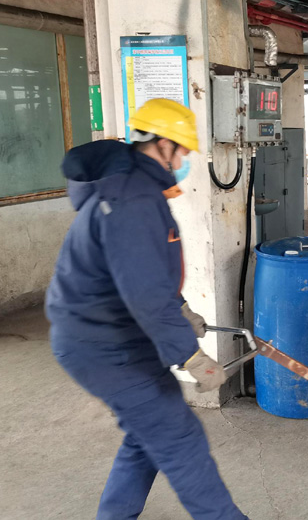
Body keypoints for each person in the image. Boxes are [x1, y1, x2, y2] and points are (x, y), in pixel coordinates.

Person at [45, 99, 246, 520]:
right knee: (179, 439)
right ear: (162, 144)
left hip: (115, 335)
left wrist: (181, 308)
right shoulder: (132, 199)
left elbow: (143, 272)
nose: (184, 161)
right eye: (182, 151)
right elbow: (145, 292)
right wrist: (190, 356)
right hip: (102, 344)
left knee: (147, 434)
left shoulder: (132, 187)